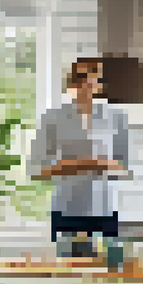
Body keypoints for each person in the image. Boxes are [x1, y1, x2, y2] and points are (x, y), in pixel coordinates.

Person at [28, 57, 130, 262]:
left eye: (95, 76)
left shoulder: (116, 117)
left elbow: (125, 168)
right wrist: (78, 164)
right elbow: (35, 169)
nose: (88, 82)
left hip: (105, 208)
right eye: (82, 77)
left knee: (109, 276)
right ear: (71, 83)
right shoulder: (52, 117)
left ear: (100, 83)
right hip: (67, 209)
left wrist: (103, 164)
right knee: (68, 276)